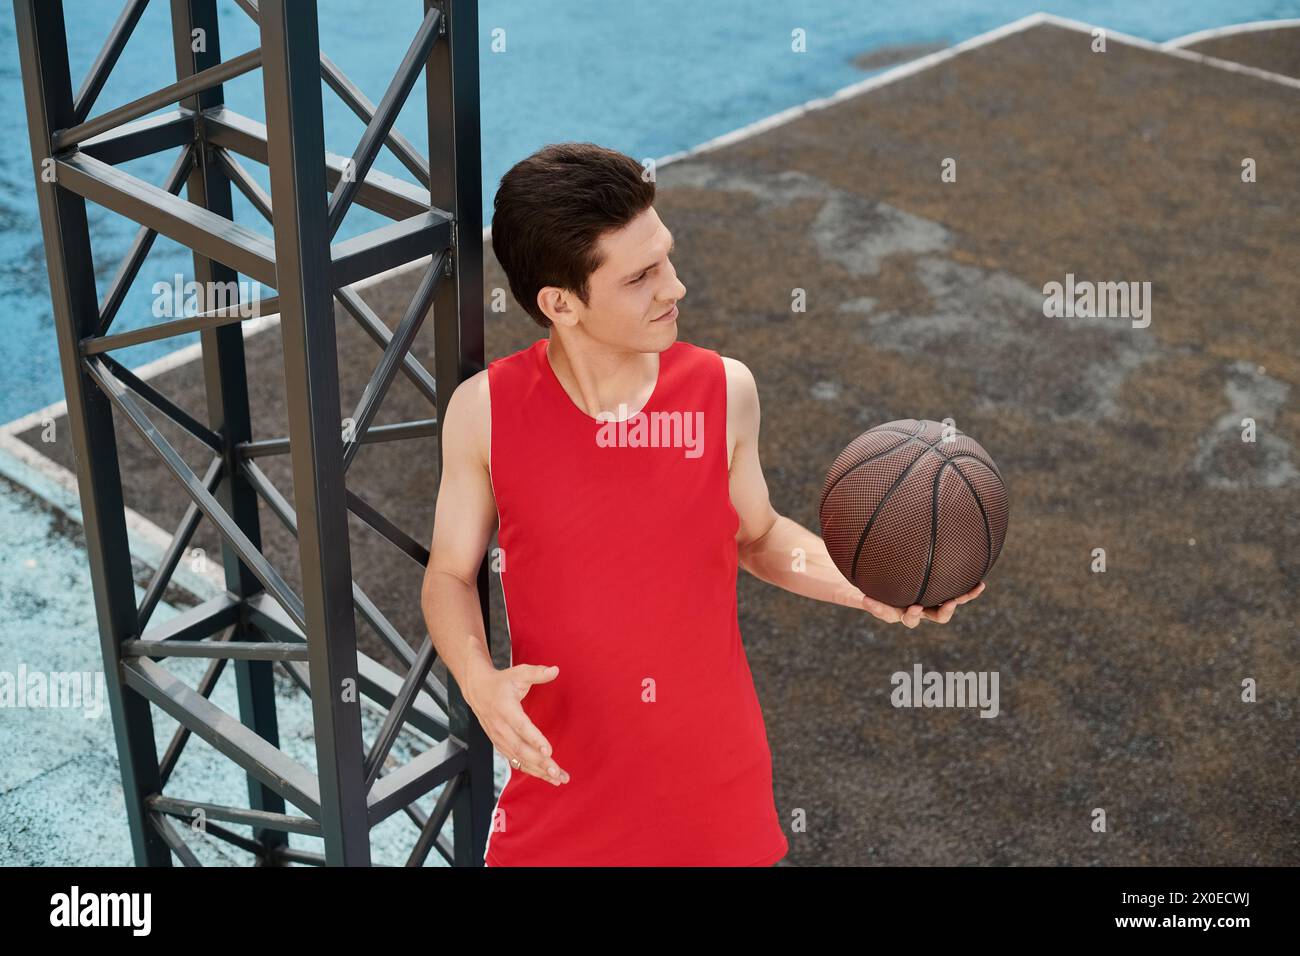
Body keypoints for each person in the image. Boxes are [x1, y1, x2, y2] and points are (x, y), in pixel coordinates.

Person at [419, 142, 984, 867]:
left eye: (668, 259)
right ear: (561, 304)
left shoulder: (725, 393)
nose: (675, 287)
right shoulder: (486, 413)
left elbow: (757, 537)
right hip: (560, 787)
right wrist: (478, 679)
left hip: (714, 787)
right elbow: (449, 575)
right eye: (642, 276)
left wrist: (867, 586)